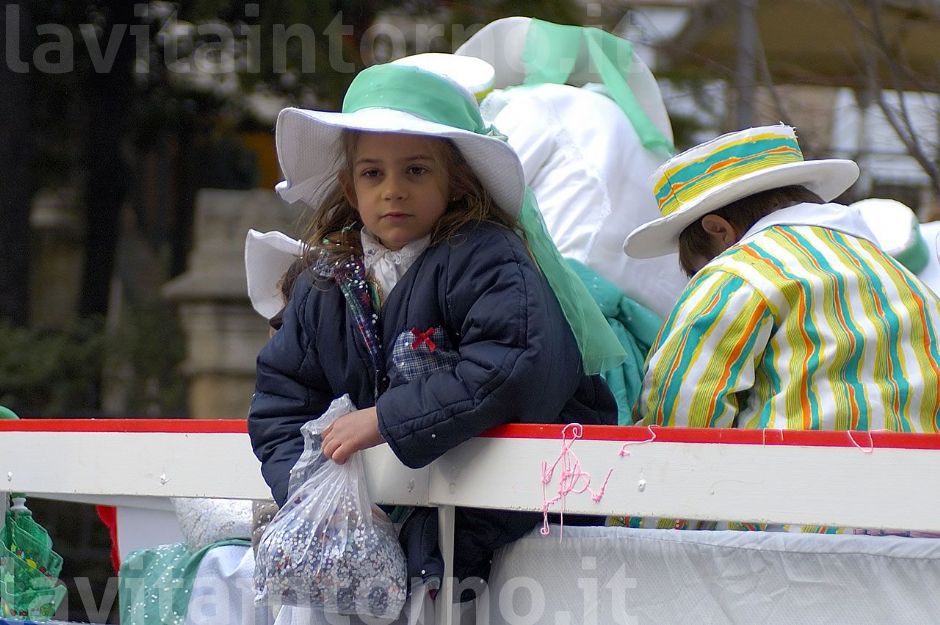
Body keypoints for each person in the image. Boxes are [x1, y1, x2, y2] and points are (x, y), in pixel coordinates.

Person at [247, 62, 620, 606]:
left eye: (416, 171)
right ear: (350, 189)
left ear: (457, 182)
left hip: (504, 538)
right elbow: (281, 401)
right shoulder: (323, 284)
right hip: (374, 536)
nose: (393, 190)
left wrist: (385, 420)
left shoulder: (489, 260)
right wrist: (307, 495)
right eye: (373, 174)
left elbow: (510, 365)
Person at [623, 124, 940, 431]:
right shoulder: (903, 280)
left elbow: (682, 407)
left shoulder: (740, 273)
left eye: (699, 267)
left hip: (787, 476)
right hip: (913, 478)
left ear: (718, 230)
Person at [454, 17, 689, 319]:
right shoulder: (632, 125)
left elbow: (479, 194)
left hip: (564, 310)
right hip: (648, 326)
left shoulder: (534, 105)